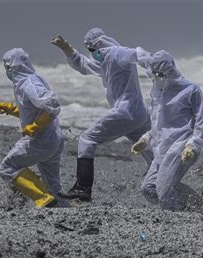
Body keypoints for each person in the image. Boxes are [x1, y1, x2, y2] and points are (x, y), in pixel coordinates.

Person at [51, 28, 153, 202]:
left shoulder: (116, 53)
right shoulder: (105, 61)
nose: (92, 54)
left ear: (99, 45)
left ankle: (83, 188)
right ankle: (164, 182)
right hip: (139, 114)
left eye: (91, 50)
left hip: (125, 112)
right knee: (151, 152)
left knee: (87, 140)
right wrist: (67, 49)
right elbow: (84, 66)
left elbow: (138, 54)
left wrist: (157, 67)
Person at [131, 50, 203, 210]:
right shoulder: (157, 92)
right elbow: (158, 125)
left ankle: (175, 219)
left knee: (164, 193)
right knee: (148, 189)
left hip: (181, 146)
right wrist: (145, 140)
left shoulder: (191, 90)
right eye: (154, 74)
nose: (156, 77)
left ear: (169, 71)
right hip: (161, 148)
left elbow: (201, 120)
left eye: (160, 74)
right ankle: (199, 206)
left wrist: (192, 145)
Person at [0, 48, 66, 208]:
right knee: (53, 186)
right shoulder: (30, 80)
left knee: (7, 167)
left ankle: (42, 198)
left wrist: (36, 126)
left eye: (6, 67)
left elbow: (52, 104)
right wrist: (12, 110)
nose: (6, 71)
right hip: (54, 139)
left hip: (42, 141)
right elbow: (35, 110)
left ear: (11, 66)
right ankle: (62, 209)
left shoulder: (29, 83)